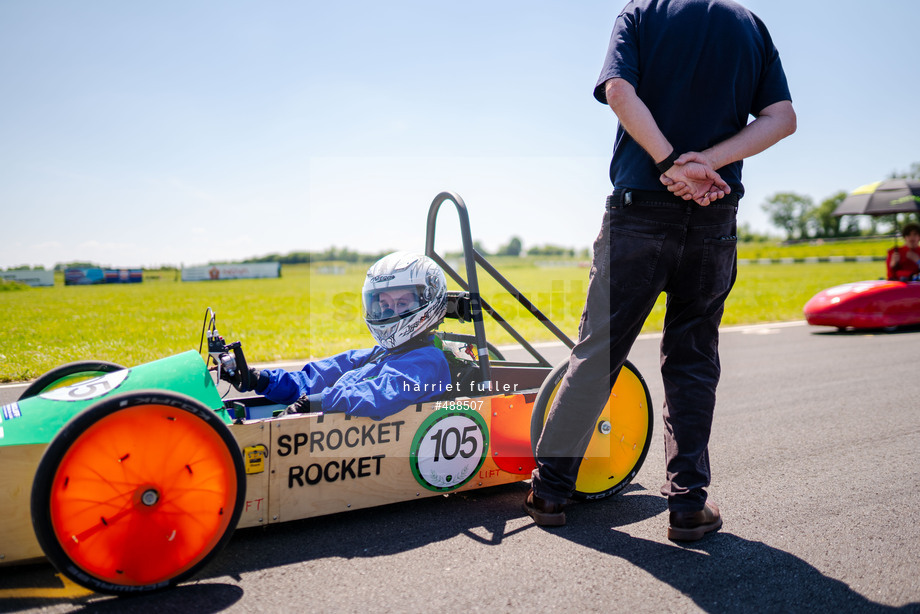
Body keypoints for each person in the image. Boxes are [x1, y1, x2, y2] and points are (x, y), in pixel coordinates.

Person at [525, 0, 796, 540]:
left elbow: (619, 92)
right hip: (713, 214)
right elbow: (782, 118)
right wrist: (707, 164)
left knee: (598, 351)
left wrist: (671, 163)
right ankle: (689, 504)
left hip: (639, 211)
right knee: (693, 358)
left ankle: (552, 489)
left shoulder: (640, 13)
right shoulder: (749, 25)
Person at [222, 252, 452, 420]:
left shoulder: (428, 361)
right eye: (384, 304)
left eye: (401, 303)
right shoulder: (379, 354)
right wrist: (259, 379)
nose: (389, 312)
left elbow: (382, 393)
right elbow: (318, 377)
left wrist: (320, 401)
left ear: (428, 303)